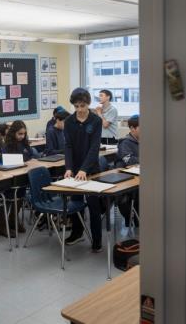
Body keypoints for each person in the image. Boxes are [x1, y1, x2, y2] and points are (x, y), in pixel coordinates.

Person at [64, 88, 103, 251]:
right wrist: (69, 168)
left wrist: (84, 169)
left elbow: (94, 148)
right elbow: (68, 146)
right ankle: (77, 233)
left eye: (82, 106)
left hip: (91, 169)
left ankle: (97, 240)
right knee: (75, 202)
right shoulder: (68, 122)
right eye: (76, 106)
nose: (79, 109)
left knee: (94, 206)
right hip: (75, 170)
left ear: (88, 104)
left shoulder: (95, 120)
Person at [115, 115, 140, 227]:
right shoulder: (125, 142)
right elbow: (129, 160)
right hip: (128, 179)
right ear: (132, 128)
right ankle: (135, 218)